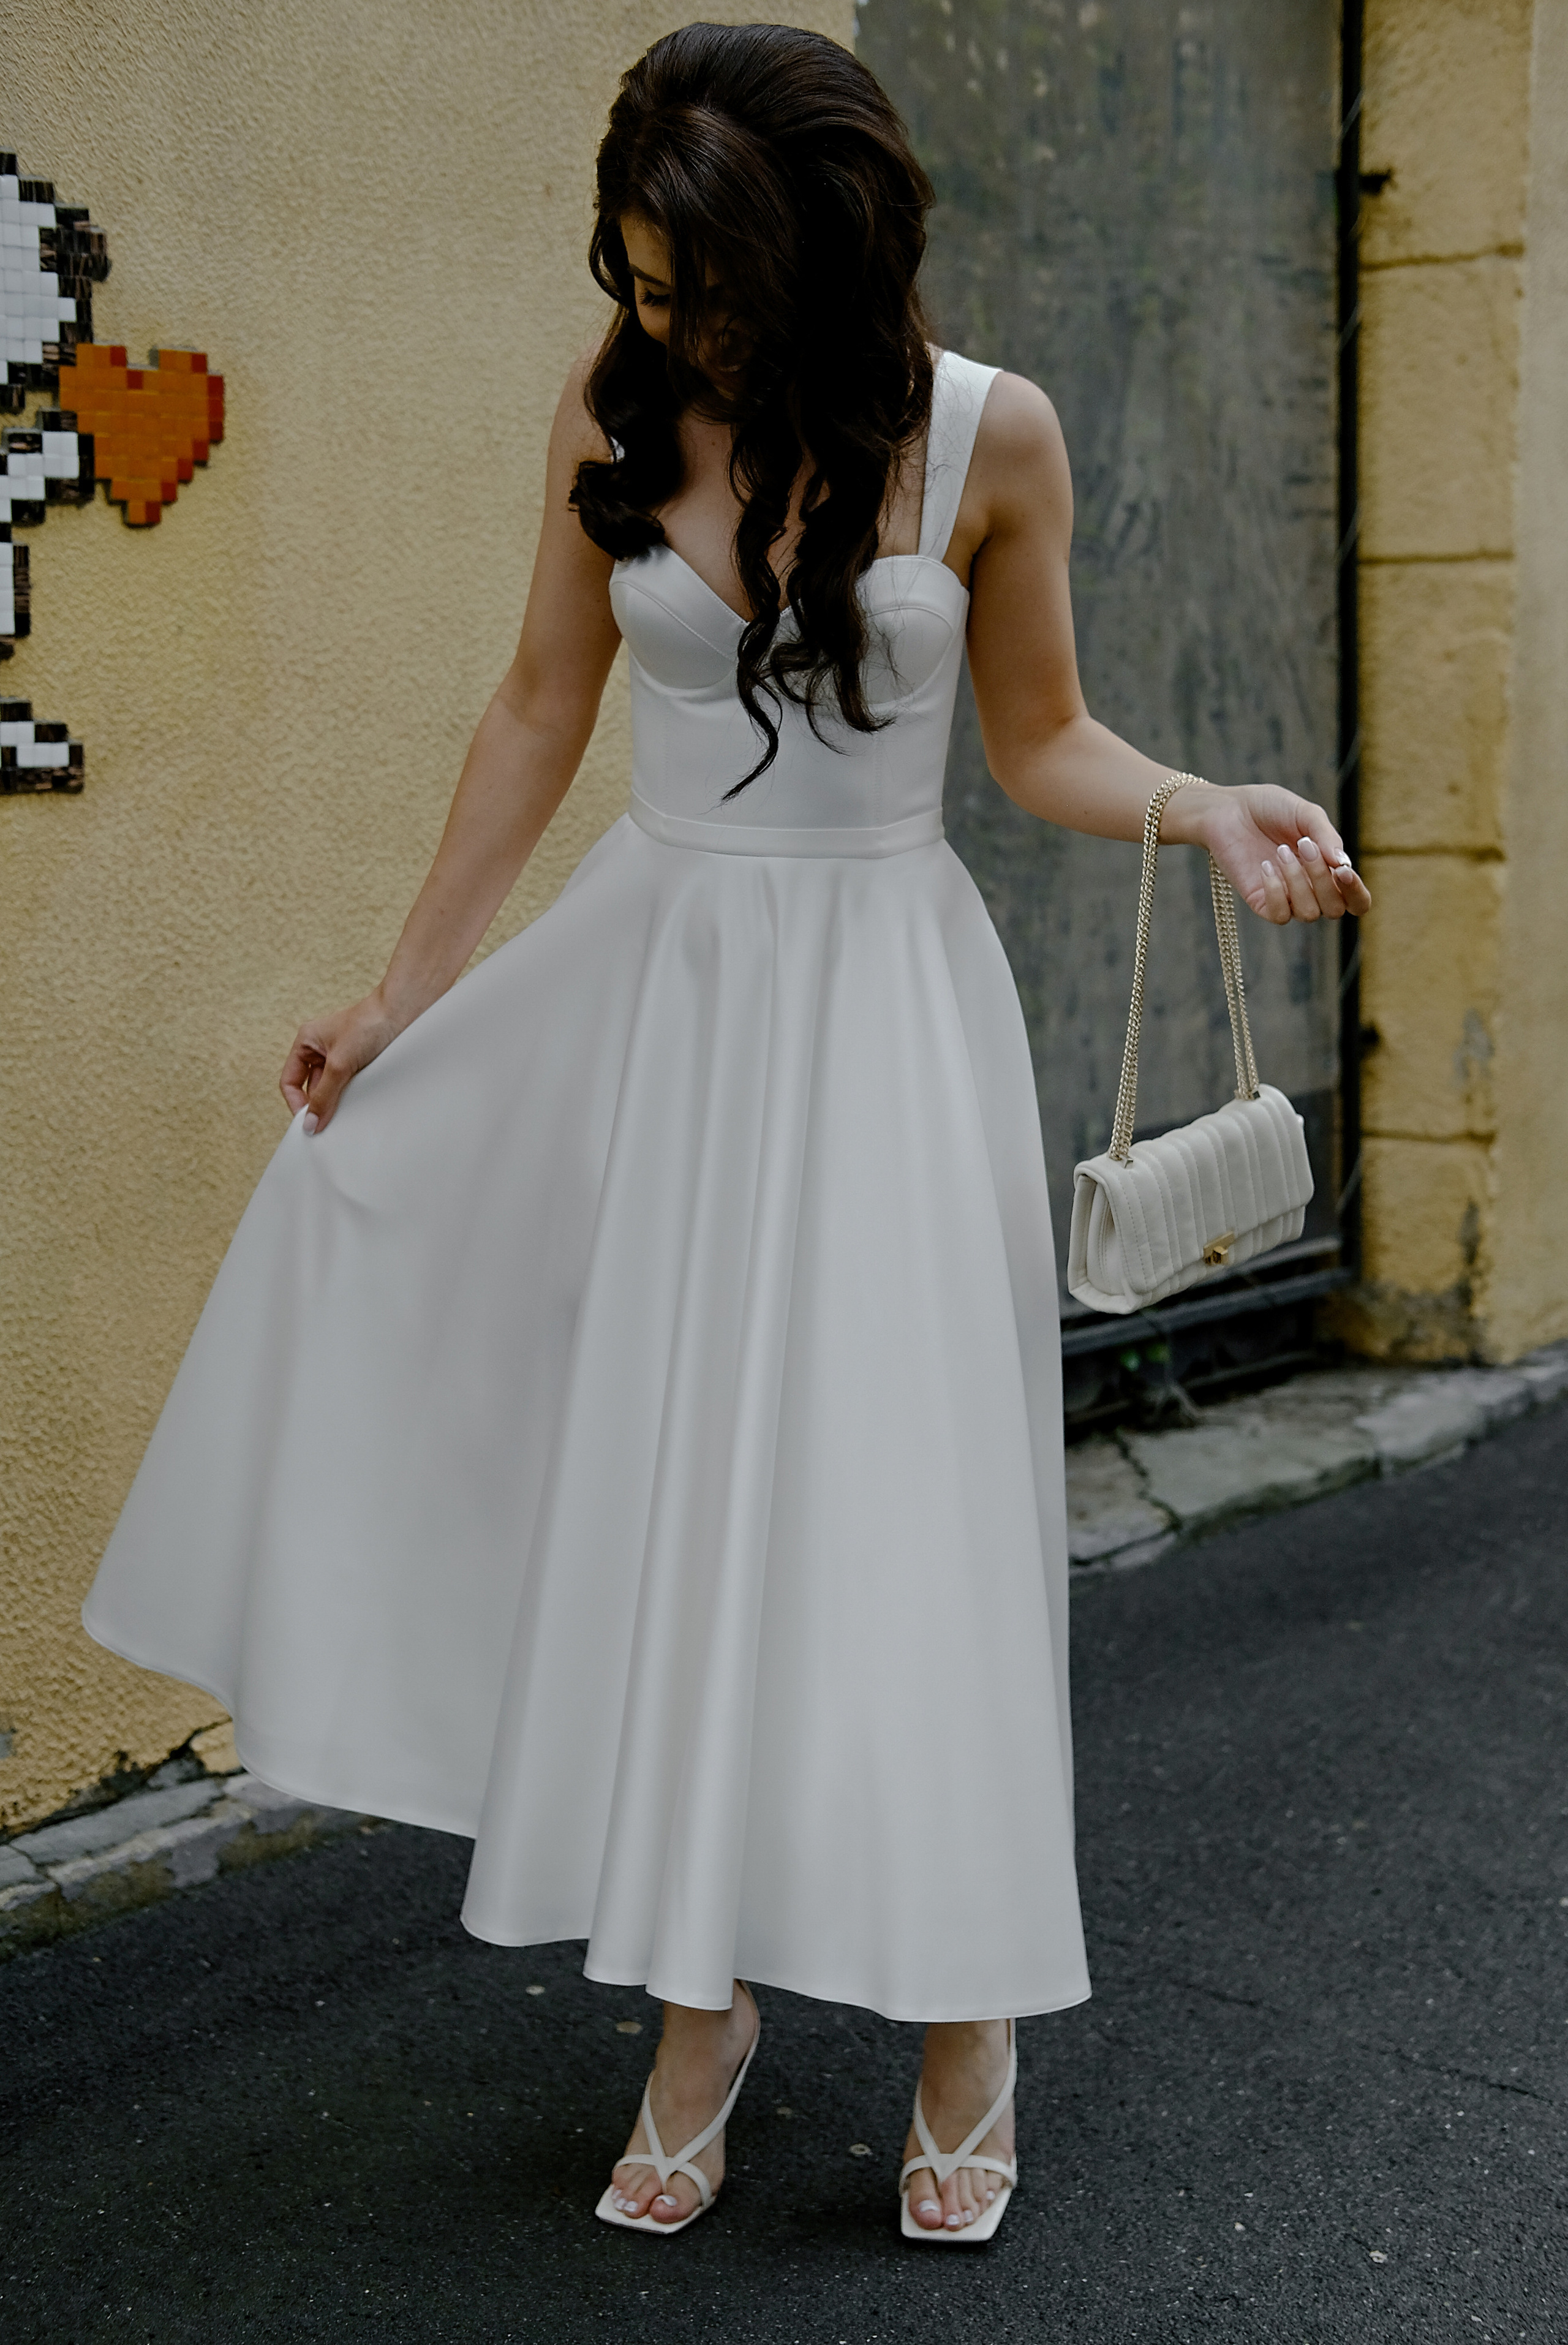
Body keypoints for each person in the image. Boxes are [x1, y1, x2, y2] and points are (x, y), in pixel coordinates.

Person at [83, 21, 1370, 2246]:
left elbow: (1041, 737)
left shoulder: (993, 435)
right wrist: (401, 1000)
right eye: (646, 276)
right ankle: (702, 2002)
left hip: (886, 1015)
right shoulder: (610, 409)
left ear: (835, 245)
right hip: (657, 1002)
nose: (664, 322)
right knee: (679, 1498)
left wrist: (1207, 803)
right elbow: (539, 707)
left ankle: (970, 2015)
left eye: (702, 283)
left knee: (909, 1516)